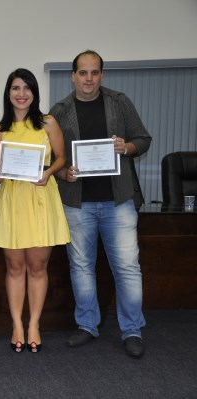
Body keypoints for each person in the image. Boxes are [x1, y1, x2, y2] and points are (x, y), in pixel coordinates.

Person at [49, 50, 152, 358]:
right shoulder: (59, 110)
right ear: (73, 76)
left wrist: (127, 146)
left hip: (118, 201)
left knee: (127, 268)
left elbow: (144, 139)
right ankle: (87, 325)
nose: (89, 79)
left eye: (95, 73)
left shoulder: (119, 102)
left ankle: (132, 330)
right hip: (77, 203)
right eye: (83, 73)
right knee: (81, 267)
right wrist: (63, 172)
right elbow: (54, 159)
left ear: (102, 75)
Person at [0, 68, 70, 353]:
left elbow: (61, 158)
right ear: (8, 93)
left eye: (27, 88)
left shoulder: (48, 122)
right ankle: (16, 325)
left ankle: (33, 323)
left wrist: (48, 173)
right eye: (16, 88)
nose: (21, 94)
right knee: (15, 266)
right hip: (12, 201)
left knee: (37, 267)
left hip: (40, 197)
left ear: (34, 93)